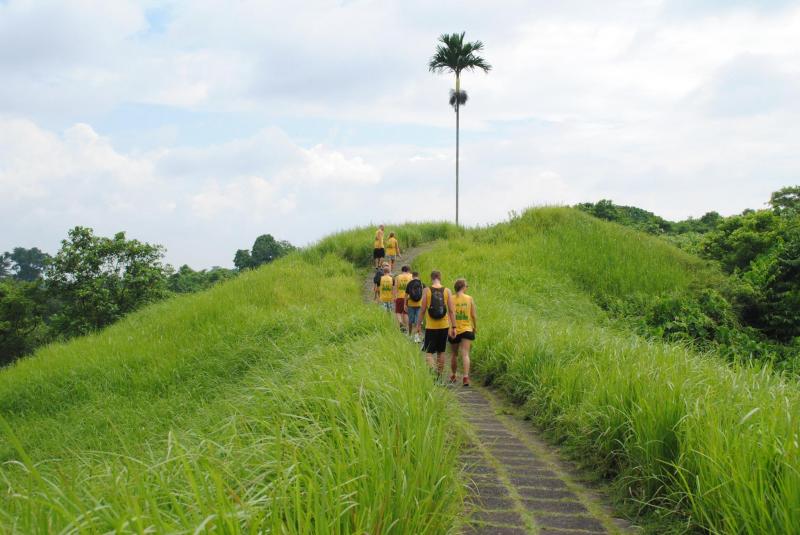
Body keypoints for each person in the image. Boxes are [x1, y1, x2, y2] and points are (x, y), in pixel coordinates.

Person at [416, 270, 456, 380]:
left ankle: (432, 370)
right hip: (444, 326)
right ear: (440, 277)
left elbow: (423, 310)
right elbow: (452, 311)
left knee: (428, 353)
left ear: (431, 278)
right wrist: (454, 327)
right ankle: (439, 376)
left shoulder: (426, 290)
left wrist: (418, 325)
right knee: (441, 352)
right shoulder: (447, 291)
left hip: (431, 327)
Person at [448, 278, 477, 387]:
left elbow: (449, 315)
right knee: (465, 354)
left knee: (454, 354)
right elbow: (473, 315)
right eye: (467, 286)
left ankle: (453, 375)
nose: (467, 287)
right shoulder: (469, 299)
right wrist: (475, 327)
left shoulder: (451, 298)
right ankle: (465, 377)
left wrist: (449, 329)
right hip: (467, 329)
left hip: (454, 329)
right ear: (463, 287)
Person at [404, 271, 424, 343]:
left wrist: (404, 304)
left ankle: (409, 335)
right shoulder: (421, 283)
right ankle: (416, 336)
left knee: (410, 321)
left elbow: (406, 295)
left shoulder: (409, 283)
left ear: (412, 276)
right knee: (417, 321)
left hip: (411, 305)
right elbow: (424, 295)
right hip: (419, 305)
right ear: (418, 275)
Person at [394, 265, 413, 331]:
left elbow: (395, 287)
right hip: (408, 297)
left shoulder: (398, 277)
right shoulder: (410, 277)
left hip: (399, 296)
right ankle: (406, 327)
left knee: (398, 312)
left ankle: (400, 323)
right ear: (408, 270)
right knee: (405, 312)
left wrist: (395, 296)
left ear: (402, 270)